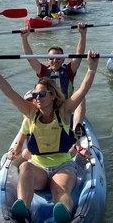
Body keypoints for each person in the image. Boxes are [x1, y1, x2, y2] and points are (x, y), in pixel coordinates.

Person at [0, 50, 99, 223]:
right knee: (25, 168)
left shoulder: (64, 112)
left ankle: (63, 214)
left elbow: (82, 91)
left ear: (52, 95)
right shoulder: (31, 114)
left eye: (42, 94)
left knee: (59, 190)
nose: (38, 98)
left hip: (63, 166)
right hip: (38, 167)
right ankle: (24, 209)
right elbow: (9, 93)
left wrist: (92, 68)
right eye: (36, 95)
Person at [19, 23, 89, 155]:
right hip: (46, 106)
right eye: (51, 58)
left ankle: (75, 128)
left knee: (81, 98)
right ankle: (29, 127)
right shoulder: (42, 70)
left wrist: (82, 34)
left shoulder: (69, 70)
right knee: (26, 98)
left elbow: (79, 54)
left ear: (63, 59)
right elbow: (29, 58)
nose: (55, 61)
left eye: (58, 58)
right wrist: (24, 38)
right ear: (47, 59)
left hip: (64, 107)